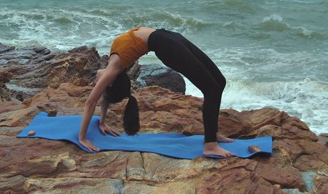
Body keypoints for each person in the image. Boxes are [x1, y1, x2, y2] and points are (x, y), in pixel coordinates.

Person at [78, 26, 236, 158]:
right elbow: (92, 102)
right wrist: (83, 138)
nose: (97, 83)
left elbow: (103, 96)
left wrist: (102, 121)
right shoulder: (114, 68)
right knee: (211, 89)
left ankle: (213, 133)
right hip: (166, 45)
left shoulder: (111, 66)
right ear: (111, 82)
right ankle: (210, 145)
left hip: (171, 37)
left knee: (219, 82)